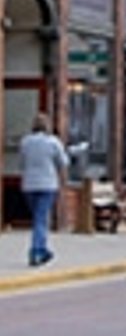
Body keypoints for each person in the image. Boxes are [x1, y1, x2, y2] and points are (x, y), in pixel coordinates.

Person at [19, 112, 68, 268]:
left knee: (38, 218)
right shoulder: (53, 142)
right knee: (41, 219)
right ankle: (36, 251)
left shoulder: (25, 142)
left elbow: (21, 163)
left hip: (29, 185)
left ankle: (43, 249)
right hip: (47, 184)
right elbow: (63, 162)